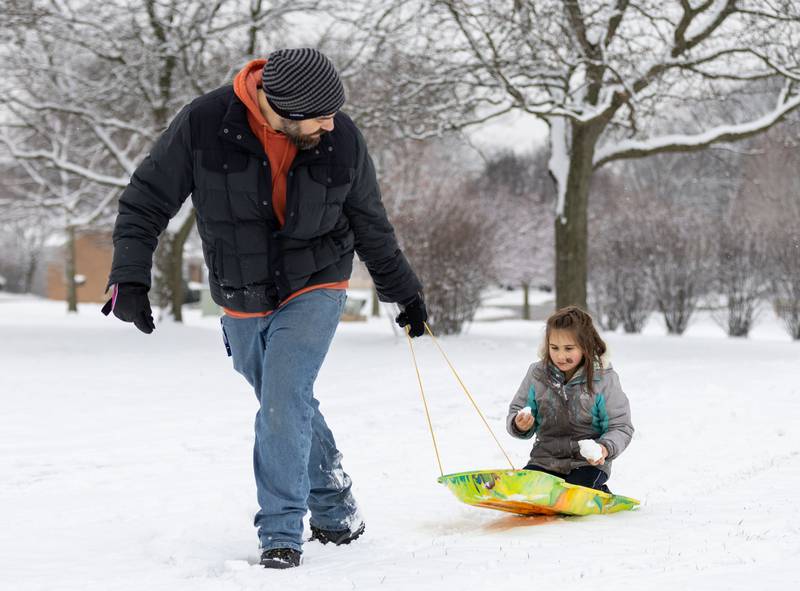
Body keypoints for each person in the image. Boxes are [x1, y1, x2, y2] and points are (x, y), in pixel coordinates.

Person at [103, 48, 427, 569]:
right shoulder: (204, 123)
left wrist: (403, 290)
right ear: (280, 105)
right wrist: (129, 275)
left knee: (282, 396)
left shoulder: (340, 136)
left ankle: (280, 533)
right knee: (288, 400)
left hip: (317, 278)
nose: (331, 124)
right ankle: (334, 501)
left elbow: (369, 218)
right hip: (242, 288)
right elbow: (146, 199)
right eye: (318, 115)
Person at [506, 306, 633, 492]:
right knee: (527, 491)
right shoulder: (538, 374)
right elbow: (518, 409)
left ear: (585, 346)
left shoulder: (603, 378)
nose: (560, 356)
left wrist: (604, 448)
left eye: (569, 348)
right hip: (545, 461)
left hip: (588, 464)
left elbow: (620, 426)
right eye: (554, 348)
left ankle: (598, 494)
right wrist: (520, 424)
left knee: (572, 491)